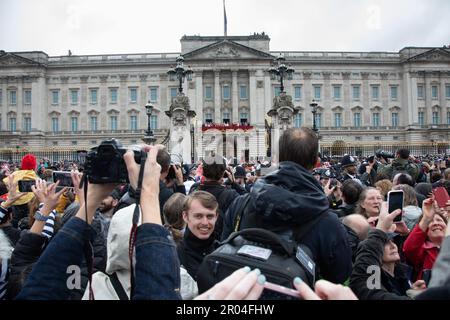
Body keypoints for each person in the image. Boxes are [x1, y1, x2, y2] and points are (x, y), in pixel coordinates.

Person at [17, 145, 182, 300]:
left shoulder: (97, 284)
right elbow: (158, 291)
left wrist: (90, 202)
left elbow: (42, 283)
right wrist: (149, 194)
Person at [222, 127, 352, 284]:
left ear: (278, 157)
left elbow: (225, 246)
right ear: (316, 162)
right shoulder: (328, 222)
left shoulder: (241, 203)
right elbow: (340, 276)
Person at [349, 202, 426, 300]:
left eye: (393, 241)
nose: (393, 246)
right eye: (385, 243)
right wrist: (410, 292)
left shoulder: (402, 272)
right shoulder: (379, 277)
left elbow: (368, 289)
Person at [177, 191, 220, 280]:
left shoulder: (222, 251)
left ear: (216, 217)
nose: (205, 222)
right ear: (185, 216)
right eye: (198, 216)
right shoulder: (174, 255)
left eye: (209, 216)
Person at [403, 197, 448, 282]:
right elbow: (409, 248)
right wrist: (426, 218)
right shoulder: (422, 251)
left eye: (439, 220)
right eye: (431, 222)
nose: (436, 223)